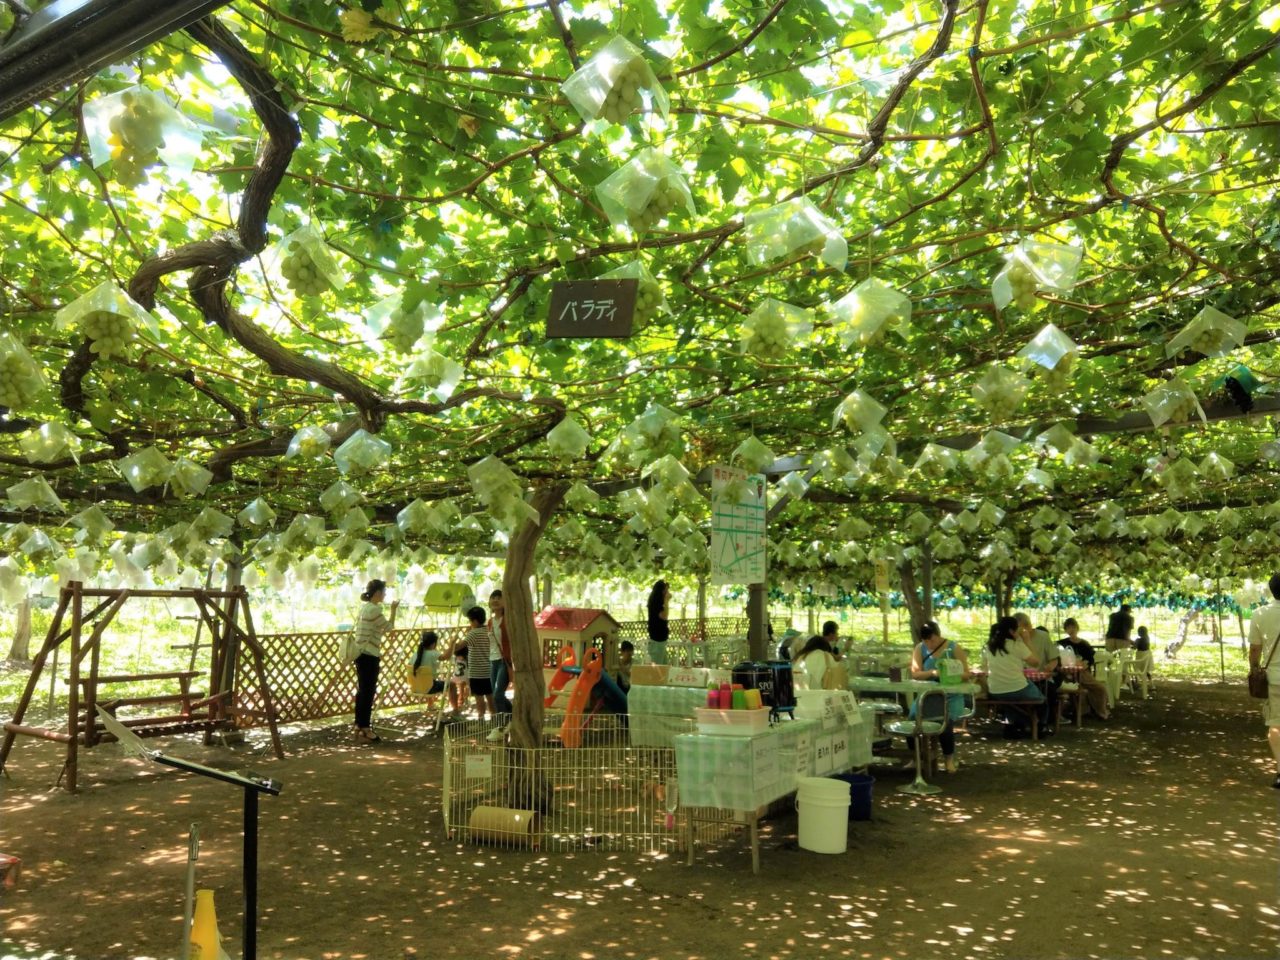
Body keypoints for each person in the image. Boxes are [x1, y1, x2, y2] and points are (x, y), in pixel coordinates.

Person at [907, 620, 969, 773]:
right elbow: (915, 673)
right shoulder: (920, 649)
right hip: (927, 696)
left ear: (938, 636)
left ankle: (948, 758)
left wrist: (950, 675)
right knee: (912, 720)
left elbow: (967, 674)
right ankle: (916, 757)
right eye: (926, 640)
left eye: (932, 640)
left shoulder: (954, 648)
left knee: (945, 723)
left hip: (951, 696)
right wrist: (933, 673)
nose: (929, 643)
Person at [982, 615, 1049, 739]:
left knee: (1010, 703)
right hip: (1018, 688)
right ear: (1012, 631)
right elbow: (1036, 662)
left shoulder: (989, 646)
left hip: (995, 690)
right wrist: (1027, 641)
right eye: (1017, 629)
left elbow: (984, 668)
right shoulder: (1016, 645)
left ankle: (1012, 726)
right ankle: (1040, 726)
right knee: (1042, 700)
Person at [353, 578, 398, 743]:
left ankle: (359, 724)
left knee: (362, 690)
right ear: (378, 593)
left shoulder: (365, 608)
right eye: (384, 592)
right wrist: (393, 610)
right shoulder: (374, 610)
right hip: (369, 655)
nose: (385, 595)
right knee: (368, 691)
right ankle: (365, 727)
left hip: (360, 653)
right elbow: (389, 628)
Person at [1247, 573, 1280, 789]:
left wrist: (1254, 668)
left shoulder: (1260, 614)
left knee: (1276, 724)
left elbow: (1255, 649)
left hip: (1275, 678)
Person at [1059, 617, 1110, 720]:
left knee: (1100, 689)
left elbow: (1090, 659)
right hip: (1067, 673)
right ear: (1066, 630)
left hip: (1083, 672)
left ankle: (1100, 712)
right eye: (1068, 628)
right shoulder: (1062, 643)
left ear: (1077, 628)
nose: (1071, 630)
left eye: (1073, 627)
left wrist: (1084, 664)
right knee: (1075, 689)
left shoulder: (1084, 644)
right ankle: (1080, 712)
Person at [486, 589, 512, 742]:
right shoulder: (490, 622)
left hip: (504, 660)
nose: (495, 600)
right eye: (493, 597)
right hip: (493, 660)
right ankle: (513, 717)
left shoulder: (508, 620)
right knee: (496, 695)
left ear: (505, 601)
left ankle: (502, 726)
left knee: (497, 694)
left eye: (499, 598)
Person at [461, 605, 493, 722]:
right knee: (490, 696)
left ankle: (481, 720)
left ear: (474, 621)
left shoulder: (473, 634)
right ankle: (495, 721)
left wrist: (452, 644)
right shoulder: (488, 630)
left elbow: (461, 645)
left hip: (476, 672)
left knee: (479, 698)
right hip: (489, 670)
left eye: (470, 620)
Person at [410, 630, 445, 696]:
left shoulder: (415, 654)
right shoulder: (433, 654)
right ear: (433, 644)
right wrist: (452, 644)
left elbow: (409, 666)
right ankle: (455, 706)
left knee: (431, 682)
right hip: (429, 688)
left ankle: (430, 705)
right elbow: (445, 657)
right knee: (452, 685)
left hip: (415, 687)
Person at [646, 580, 670, 665]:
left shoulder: (658, 601)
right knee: (658, 669)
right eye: (666, 590)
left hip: (660, 641)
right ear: (661, 591)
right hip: (657, 641)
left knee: (664, 668)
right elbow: (664, 616)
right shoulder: (655, 602)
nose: (667, 592)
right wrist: (666, 601)